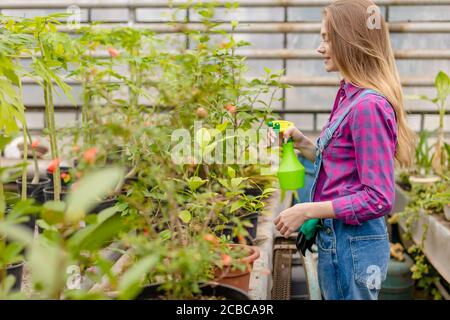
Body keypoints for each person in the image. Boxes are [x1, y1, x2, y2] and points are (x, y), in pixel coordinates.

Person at [273, 0, 415, 300]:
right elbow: (344, 167)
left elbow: (378, 198)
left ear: (349, 40)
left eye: (326, 38)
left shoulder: (368, 107)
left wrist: (306, 209)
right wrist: (304, 144)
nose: (320, 48)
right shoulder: (348, 96)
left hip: (355, 245)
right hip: (338, 239)